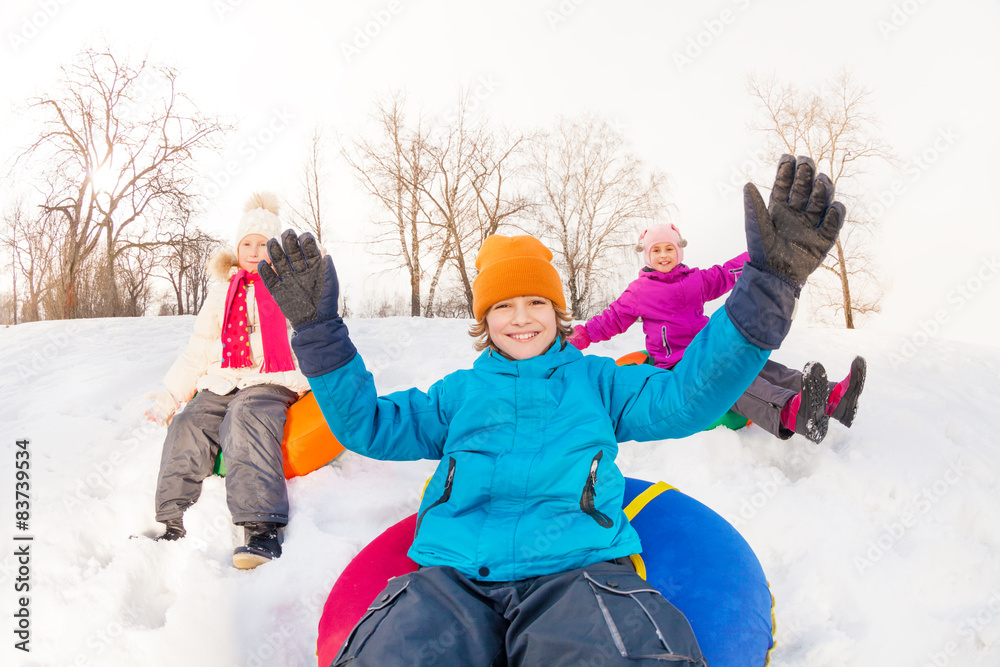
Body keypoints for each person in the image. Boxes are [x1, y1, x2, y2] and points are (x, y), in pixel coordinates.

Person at [260, 156, 844, 665]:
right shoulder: (460, 394)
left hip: (579, 572)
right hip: (453, 577)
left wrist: (768, 286)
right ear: (483, 319)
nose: (521, 317)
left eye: (536, 301)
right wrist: (318, 332)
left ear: (558, 312)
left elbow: (686, 398)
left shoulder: (598, 382)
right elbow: (371, 425)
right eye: (504, 305)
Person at [569, 222, 866, 443]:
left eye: (669, 248)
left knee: (762, 366)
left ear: (679, 251)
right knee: (733, 381)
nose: (663, 255)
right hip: (679, 367)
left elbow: (727, 274)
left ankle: (832, 399)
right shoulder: (640, 292)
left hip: (709, 347)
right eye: (656, 250)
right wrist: (580, 336)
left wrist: (761, 255)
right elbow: (610, 320)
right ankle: (791, 411)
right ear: (647, 256)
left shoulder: (694, 280)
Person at [144, 193, 309, 569]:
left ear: (275, 250)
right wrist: (169, 397)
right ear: (236, 250)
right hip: (222, 378)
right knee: (189, 422)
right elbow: (198, 351)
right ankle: (172, 520)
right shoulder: (221, 294)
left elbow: (308, 336)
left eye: (263, 244)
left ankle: (261, 527)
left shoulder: (290, 290)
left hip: (271, 377)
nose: (253, 251)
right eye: (246, 244)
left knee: (245, 415)